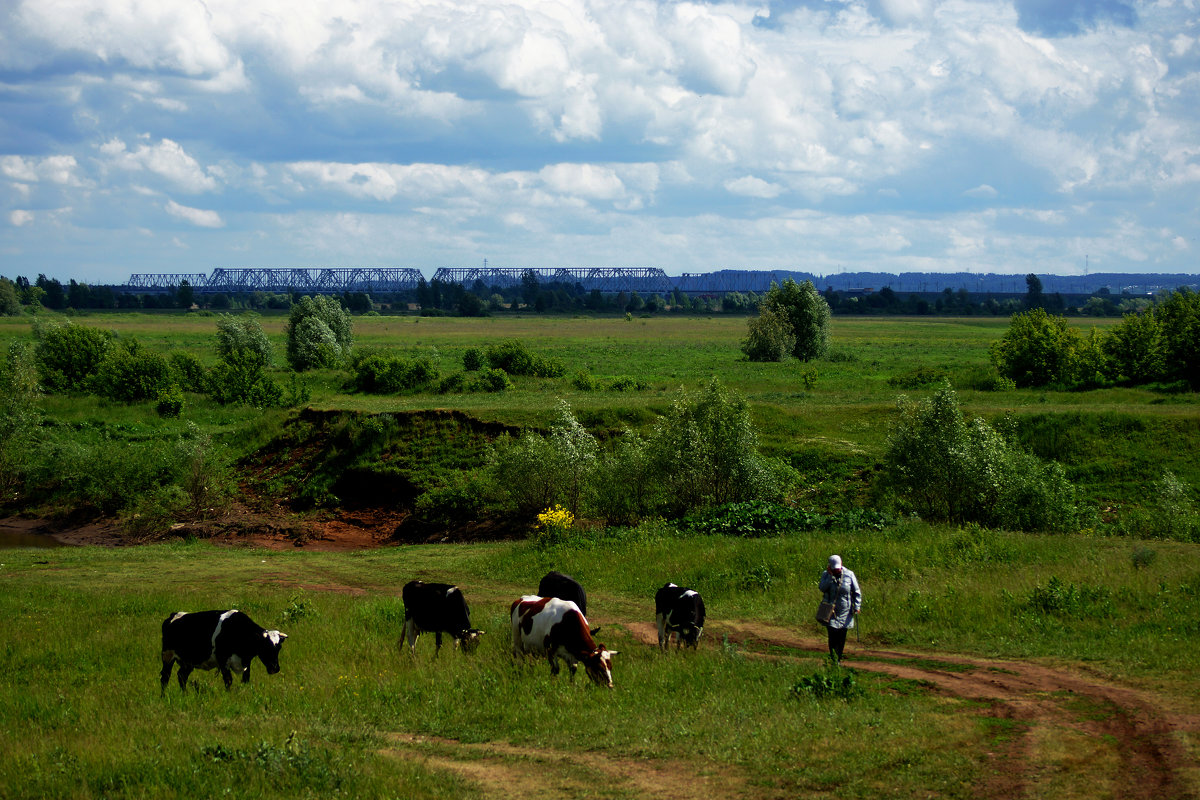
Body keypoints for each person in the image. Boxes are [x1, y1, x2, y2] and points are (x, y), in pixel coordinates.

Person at [818, 554, 861, 661]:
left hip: (845, 610)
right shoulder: (826, 575)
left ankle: (839, 658)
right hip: (829, 610)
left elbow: (856, 591)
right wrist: (830, 577)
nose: (837, 570)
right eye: (834, 569)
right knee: (832, 634)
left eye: (838, 569)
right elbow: (822, 588)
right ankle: (833, 658)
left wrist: (857, 605)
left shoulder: (849, 574)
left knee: (842, 635)